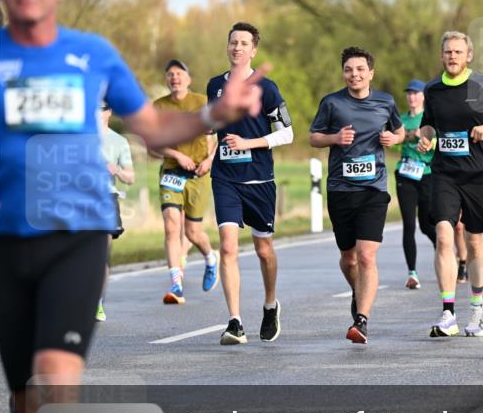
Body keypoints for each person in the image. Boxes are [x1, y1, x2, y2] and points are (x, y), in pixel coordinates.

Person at [0, 0, 264, 413]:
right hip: (7, 240)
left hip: (77, 234)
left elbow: (153, 127)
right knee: (24, 390)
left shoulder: (92, 55)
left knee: (54, 373)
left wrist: (213, 117)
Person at [416, 31, 483, 337]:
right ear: (441, 55)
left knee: (474, 242)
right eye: (448, 52)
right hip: (444, 172)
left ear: (468, 56)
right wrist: (425, 138)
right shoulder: (432, 89)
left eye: (458, 52)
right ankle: (448, 313)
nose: (453, 56)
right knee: (444, 235)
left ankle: (476, 305)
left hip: (478, 174)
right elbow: (428, 124)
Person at [207, 21, 294, 345]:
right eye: (233, 42)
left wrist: (250, 143)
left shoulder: (267, 88)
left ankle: (270, 305)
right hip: (225, 177)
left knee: (263, 249)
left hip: (259, 178)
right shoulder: (215, 86)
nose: (237, 47)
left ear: (253, 50)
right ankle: (235, 322)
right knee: (228, 246)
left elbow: (288, 134)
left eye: (244, 43)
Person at [310, 46, 403, 343]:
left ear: (371, 73)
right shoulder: (332, 103)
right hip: (340, 189)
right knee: (348, 259)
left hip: (373, 189)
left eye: (360, 69)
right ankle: (359, 291)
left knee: (366, 255)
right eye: (349, 70)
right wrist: (335, 138)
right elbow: (313, 137)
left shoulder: (385, 102)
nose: (355, 75)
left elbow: (400, 131)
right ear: (343, 73)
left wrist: (393, 138)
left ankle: (361, 320)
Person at [153, 59, 219, 304]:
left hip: (198, 174)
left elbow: (221, 136)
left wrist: (210, 160)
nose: (175, 78)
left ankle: (210, 258)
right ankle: (176, 284)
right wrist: (177, 155)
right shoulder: (159, 106)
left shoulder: (203, 102)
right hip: (171, 171)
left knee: (192, 232)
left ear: (189, 79)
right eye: (170, 74)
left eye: (179, 73)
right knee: (172, 225)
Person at [395, 79, 436, 290]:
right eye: (409, 93)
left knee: (427, 224)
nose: (412, 97)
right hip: (405, 174)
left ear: (423, 96)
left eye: (416, 93)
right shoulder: (400, 120)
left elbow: (437, 144)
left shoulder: (429, 118)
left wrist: (425, 140)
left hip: (426, 174)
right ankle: (412, 273)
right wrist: (405, 137)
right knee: (409, 224)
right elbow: (394, 143)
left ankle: (444, 250)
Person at [96, 103, 134, 321]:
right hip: (81, 198)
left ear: (109, 112)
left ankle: (97, 303)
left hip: (107, 198)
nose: (97, 111)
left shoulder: (119, 141)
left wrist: (117, 169)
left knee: (102, 252)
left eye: (102, 108)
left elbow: (130, 177)